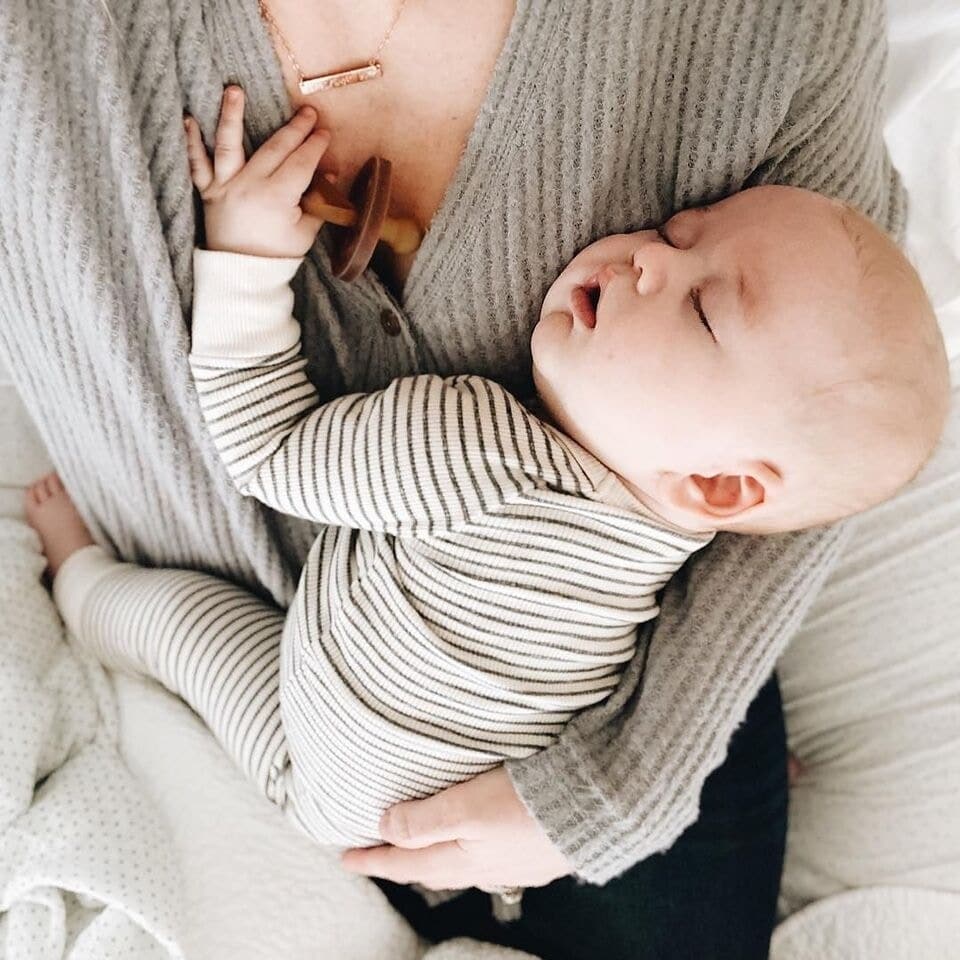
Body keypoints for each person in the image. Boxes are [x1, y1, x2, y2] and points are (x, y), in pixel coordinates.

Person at [0, 0, 910, 956]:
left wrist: (629, 780)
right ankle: (84, 574)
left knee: (169, 625)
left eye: (703, 310)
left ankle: (88, 581)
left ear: (722, 494)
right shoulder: (556, 472)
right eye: (677, 234)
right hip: (295, 721)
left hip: (526, 744)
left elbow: (826, 449)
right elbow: (793, 448)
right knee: (170, 624)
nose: (648, 259)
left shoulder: (541, 472)